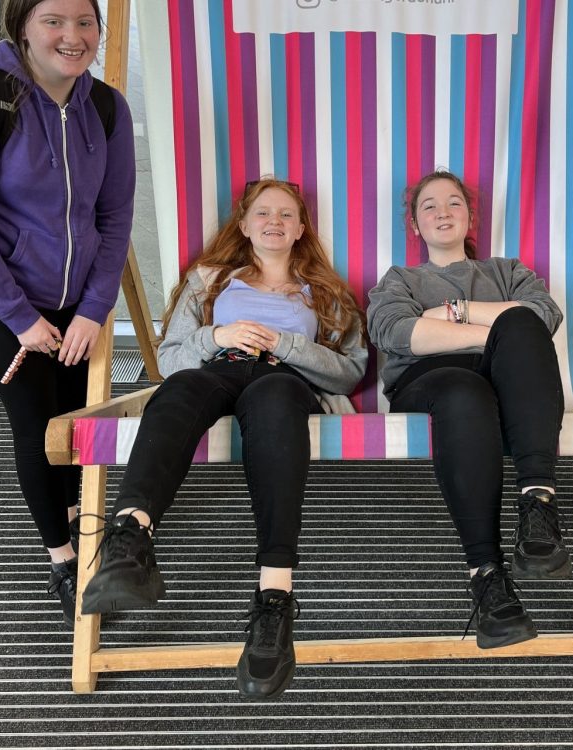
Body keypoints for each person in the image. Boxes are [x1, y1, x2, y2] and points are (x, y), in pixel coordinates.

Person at [80, 178, 367, 700]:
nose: (274, 221)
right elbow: (167, 361)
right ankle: (129, 538)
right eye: (263, 213)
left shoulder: (324, 291)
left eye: (286, 215)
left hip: (283, 376)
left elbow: (349, 372)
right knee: (181, 389)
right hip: (219, 366)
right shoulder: (211, 280)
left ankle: (274, 600)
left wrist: (287, 343)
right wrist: (217, 336)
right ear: (244, 224)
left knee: (278, 401)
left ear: (301, 229)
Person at [0, 0, 136, 625]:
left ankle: (82, 519)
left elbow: (114, 218)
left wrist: (94, 308)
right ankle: (61, 556)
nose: (72, 37)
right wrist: (21, 318)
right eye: (54, 21)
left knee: (77, 421)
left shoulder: (106, 107)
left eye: (85, 22)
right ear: (21, 25)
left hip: (79, 301)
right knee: (36, 422)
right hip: (3, 300)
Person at [367, 170, 568, 650]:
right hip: (429, 384)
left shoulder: (506, 269)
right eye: (429, 206)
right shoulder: (401, 279)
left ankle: (537, 506)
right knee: (468, 382)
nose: (442, 212)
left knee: (520, 328)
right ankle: (486, 573)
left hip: (506, 386)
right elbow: (397, 333)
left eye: (453, 203)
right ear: (415, 225)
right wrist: (500, 329)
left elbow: (544, 317)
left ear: (469, 217)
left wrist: (449, 314)